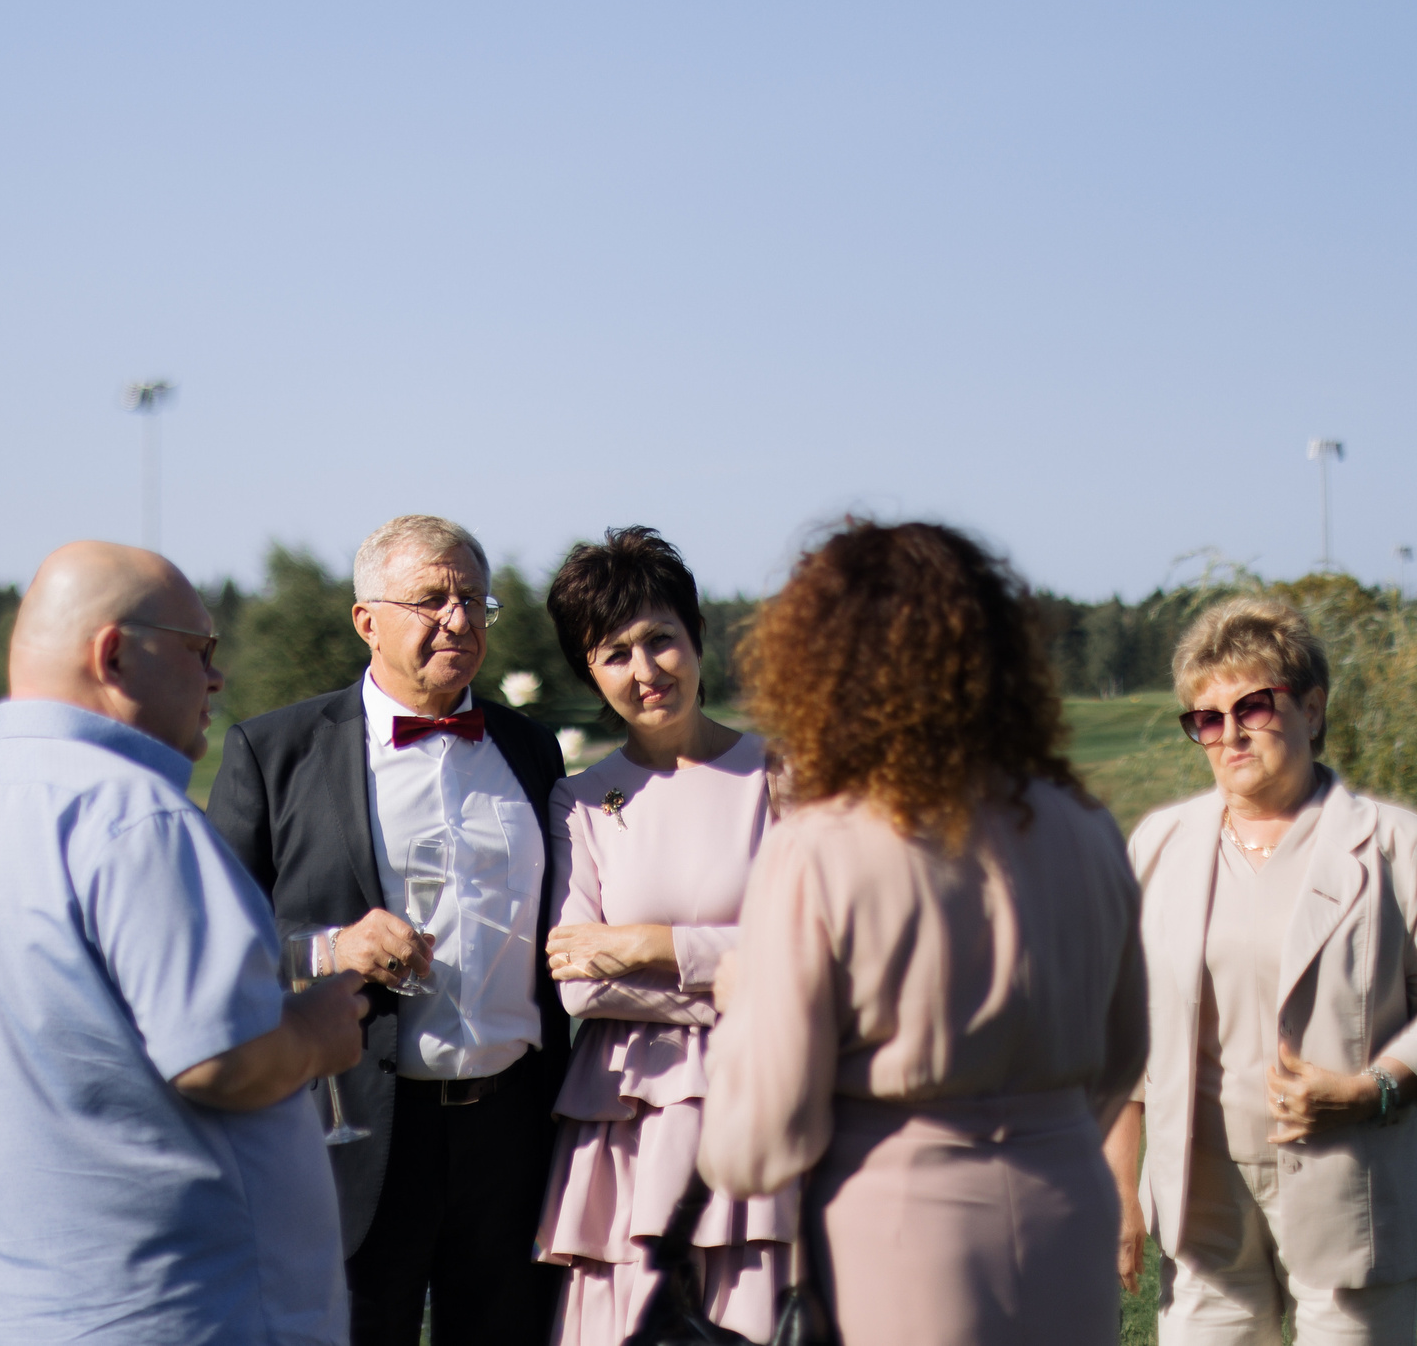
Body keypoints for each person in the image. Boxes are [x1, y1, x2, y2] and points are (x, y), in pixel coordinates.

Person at [0, 540, 366, 1346]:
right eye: (202, 650)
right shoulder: (134, 815)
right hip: (178, 1314)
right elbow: (221, 1058)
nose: (217, 679)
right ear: (114, 653)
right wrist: (315, 1033)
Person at [699, 520, 1147, 1346]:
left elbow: (761, 1140)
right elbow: (1123, 1050)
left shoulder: (821, 846)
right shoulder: (1087, 826)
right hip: (1068, 1207)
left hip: (901, 1231)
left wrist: (740, 1007)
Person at [209, 514, 570, 1346]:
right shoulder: (276, 753)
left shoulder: (531, 748)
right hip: (356, 1130)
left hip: (512, 1129)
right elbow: (211, 942)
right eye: (432, 599)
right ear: (366, 619)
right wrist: (328, 949)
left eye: (476, 600)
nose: (460, 619)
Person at [1110, 597, 1417, 1345]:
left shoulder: (1391, 843)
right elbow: (1122, 1027)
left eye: (1253, 704)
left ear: (1312, 708)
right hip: (1203, 1194)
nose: (1231, 732)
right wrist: (1120, 1185)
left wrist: (1371, 1090)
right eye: (1208, 717)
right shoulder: (1160, 844)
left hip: (1352, 1181)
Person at [535, 527, 792, 1344]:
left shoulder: (785, 777)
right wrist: (737, 962)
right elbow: (577, 979)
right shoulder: (581, 800)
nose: (645, 672)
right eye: (615, 653)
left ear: (697, 637)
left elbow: (815, 962)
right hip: (625, 1124)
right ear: (589, 671)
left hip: (760, 1104)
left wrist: (649, 942)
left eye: (661, 640)